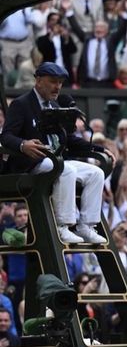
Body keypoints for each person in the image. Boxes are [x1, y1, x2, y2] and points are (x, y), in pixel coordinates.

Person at [0, 62, 107, 245]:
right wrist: (23, 144)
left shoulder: (55, 105)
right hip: (30, 164)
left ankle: (86, 226)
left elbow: (69, 138)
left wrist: (99, 149)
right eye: (52, 81)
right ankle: (62, 226)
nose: (57, 86)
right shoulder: (21, 104)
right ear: (39, 80)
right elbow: (6, 136)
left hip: (54, 160)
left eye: (60, 82)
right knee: (65, 170)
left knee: (96, 173)